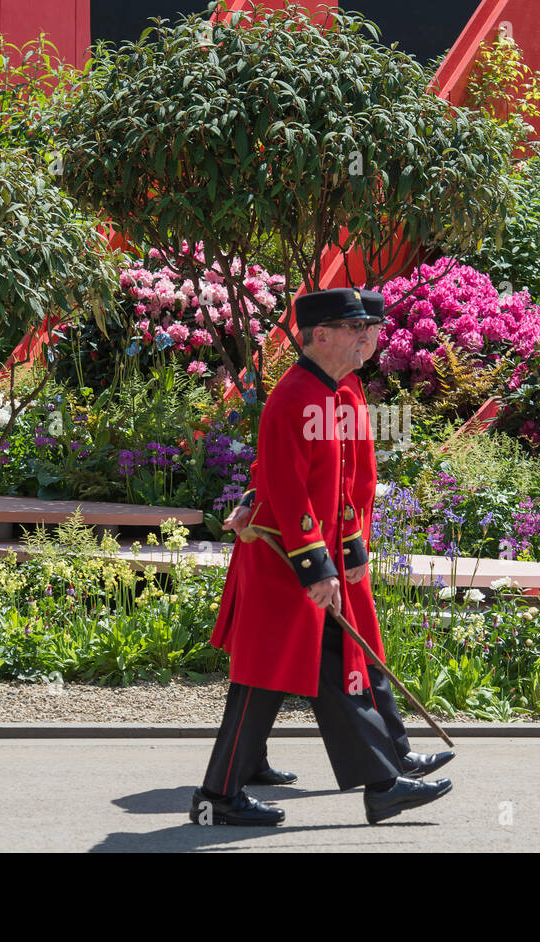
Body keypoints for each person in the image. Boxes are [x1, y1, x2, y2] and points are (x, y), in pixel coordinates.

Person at [191, 288, 453, 826]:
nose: (365, 336)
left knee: (330, 669)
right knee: (265, 678)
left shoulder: (329, 390)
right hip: (283, 562)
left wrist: (345, 550)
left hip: (306, 558)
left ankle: (383, 782)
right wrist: (316, 566)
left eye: (366, 327)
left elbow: (336, 487)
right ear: (321, 336)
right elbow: (288, 491)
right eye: (352, 327)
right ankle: (220, 797)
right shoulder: (296, 397)